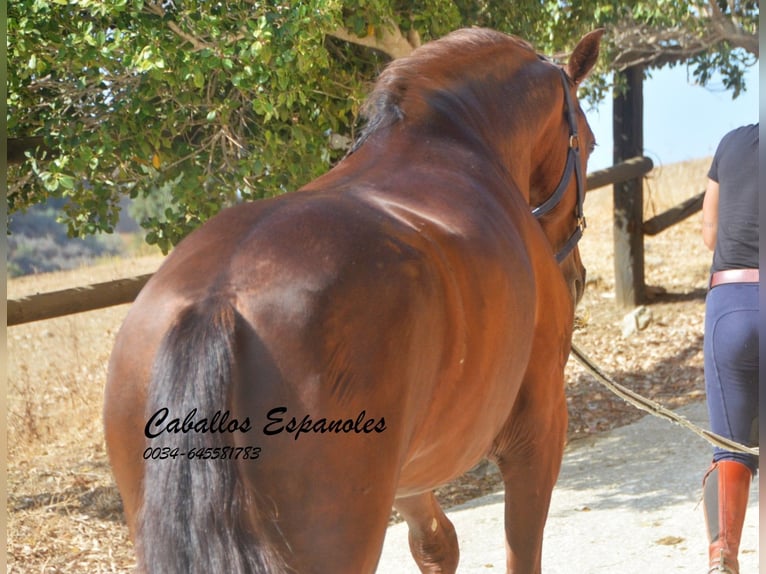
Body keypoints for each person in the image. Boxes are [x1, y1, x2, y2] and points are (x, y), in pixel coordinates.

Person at [700, 123, 759, 574]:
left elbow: (709, 233)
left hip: (732, 303)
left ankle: (723, 551)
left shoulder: (731, 142)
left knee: (730, 448)